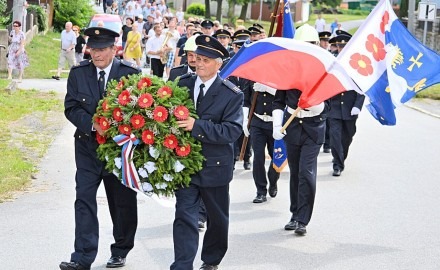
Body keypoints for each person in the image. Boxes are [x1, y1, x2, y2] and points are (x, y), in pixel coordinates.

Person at [61, 27, 140, 270]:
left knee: (122, 201)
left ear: (114, 50)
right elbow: (71, 107)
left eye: (102, 50)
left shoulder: (130, 74)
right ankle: (82, 257)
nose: (96, 54)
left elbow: (141, 111)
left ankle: (121, 249)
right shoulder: (79, 74)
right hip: (87, 147)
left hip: (118, 151)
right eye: (92, 49)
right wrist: (93, 125)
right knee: (84, 199)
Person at [172, 35, 243, 270]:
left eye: (205, 60)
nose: (199, 64)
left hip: (215, 167)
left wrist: (197, 126)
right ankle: (182, 265)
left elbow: (232, 131)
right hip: (185, 165)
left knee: (217, 219)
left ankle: (211, 261)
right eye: (197, 58)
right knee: (184, 215)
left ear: (219, 64)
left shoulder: (231, 94)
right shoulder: (182, 84)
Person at [272, 24, 327, 236]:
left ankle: (303, 219)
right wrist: (277, 125)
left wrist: (315, 104)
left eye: (309, 45)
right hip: (292, 126)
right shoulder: (288, 71)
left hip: (314, 127)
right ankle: (294, 214)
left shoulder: (323, 71)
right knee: (295, 172)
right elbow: (279, 100)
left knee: (307, 172)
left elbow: (328, 105)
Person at [328, 33, 365, 177]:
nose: (341, 48)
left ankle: (341, 157)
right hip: (335, 106)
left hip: (350, 107)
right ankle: (337, 164)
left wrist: (358, 105)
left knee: (347, 137)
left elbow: (362, 86)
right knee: (335, 136)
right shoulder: (332, 62)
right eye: (339, 46)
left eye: (344, 46)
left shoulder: (358, 63)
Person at [318, 31, 332, 153]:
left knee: (329, 118)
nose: (326, 43)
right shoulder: (317, 54)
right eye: (324, 41)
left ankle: (327, 143)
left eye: (328, 41)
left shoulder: (331, 56)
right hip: (318, 88)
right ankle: (322, 140)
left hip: (328, 89)